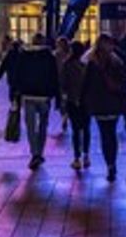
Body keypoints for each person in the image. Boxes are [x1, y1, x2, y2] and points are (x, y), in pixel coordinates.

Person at [81, 35, 126, 181]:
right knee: (112, 134)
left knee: (104, 135)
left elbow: (85, 85)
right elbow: (125, 83)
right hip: (114, 104)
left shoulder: (91, 63)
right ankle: (112, 162)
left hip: (98, 105)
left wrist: (84, 103)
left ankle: (109, 164)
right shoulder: (117, 61)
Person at [13, 34, 61, 171]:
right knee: (43, 125)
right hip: (44, 96)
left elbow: (17, 75)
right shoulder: (49, 57)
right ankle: (40, 151)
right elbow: (54, 77)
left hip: (28, 95)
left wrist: (15, 93)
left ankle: (34, 153)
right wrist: (56, 96)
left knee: (30, 126)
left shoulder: (24, 55)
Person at [59, 39, 88, 169]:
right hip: (86, 101)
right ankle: (86, 155)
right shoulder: (86, 65)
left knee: (75, 130)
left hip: (72, 101)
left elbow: (63, 84)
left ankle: (76, 158)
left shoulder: (67, 65)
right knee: (86, 129)